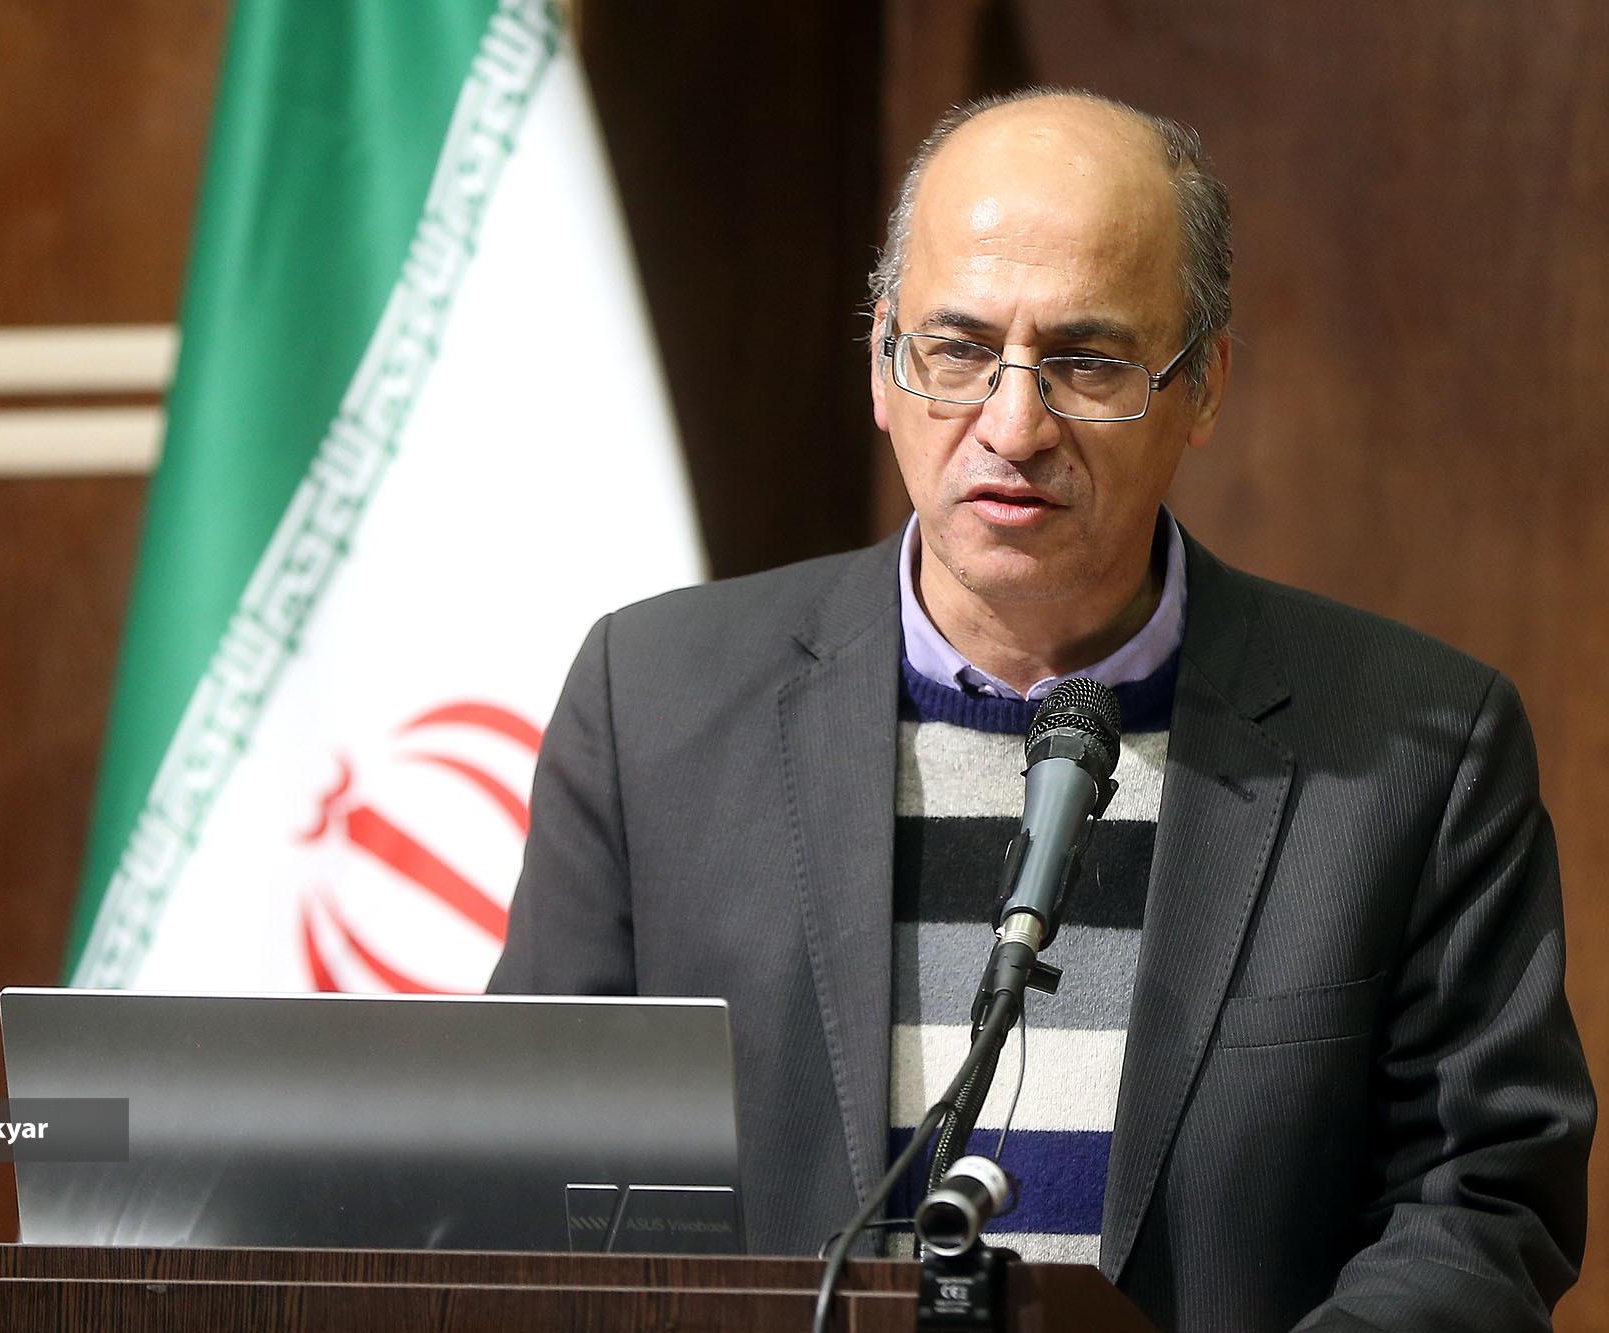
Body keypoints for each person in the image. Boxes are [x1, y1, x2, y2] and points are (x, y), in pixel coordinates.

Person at [487, 87, 1592, 1332]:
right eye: (956, 350)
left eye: (1085, 361)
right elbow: (527, 1172)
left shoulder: (1415, 749)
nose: (1011, 427)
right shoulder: (653, 703)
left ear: (1202, 387)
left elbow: (1479, 1200)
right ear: (882, 364)